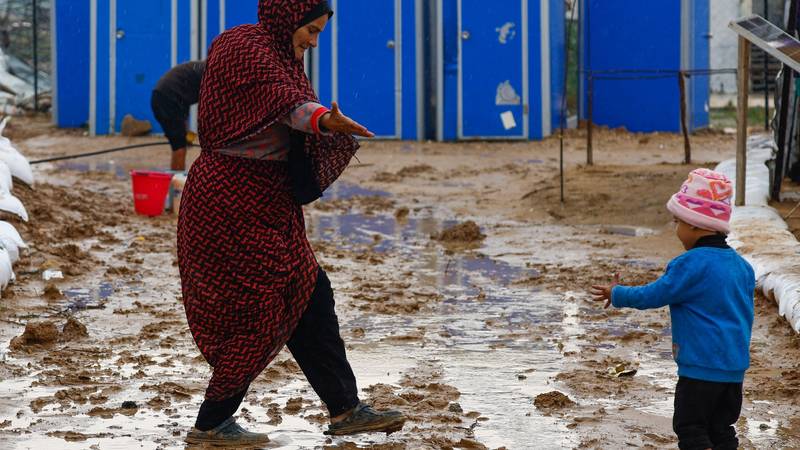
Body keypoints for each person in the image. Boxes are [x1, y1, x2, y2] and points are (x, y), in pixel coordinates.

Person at [178, 0, 404, 446]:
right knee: (259, 309)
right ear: (288, 18)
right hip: (228, 203)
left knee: (309, 291)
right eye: (311, 31)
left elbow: (289, 103)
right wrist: (325, 120)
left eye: (320, 33)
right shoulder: (244, 49)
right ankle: (211, 423)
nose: (314, 42)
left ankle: (345, 409)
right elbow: (290, 108)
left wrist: (321, 119)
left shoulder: (282, 57)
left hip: (269, 201)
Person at [590, 168, 755, 450]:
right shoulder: (743, 267)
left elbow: (654, 295)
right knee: (721, 429)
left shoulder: (689, 265)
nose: (676, 229)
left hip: (699, 369)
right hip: (733, 371)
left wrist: (617, 293)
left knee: (691, 428)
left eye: (677, 222)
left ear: (695, 225)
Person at [150, 60, 205, 171]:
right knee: (179, 146)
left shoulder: (201, 70)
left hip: (165, 97)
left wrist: (186, 132)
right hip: (166, 98)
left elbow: (184, 107)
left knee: (180, 142)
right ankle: (176, 184)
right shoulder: (211, 74)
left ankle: (176, 180)